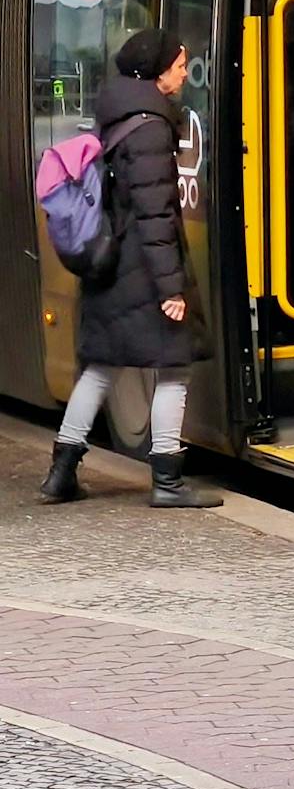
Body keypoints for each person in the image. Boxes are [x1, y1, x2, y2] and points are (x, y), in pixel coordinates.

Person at [37, 27, 220, 510]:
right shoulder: (152, 128)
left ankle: (61, 473)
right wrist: (171, 288)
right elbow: (157, 215)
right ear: (157, 72)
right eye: (179, 65)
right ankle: (167, 480)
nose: (185, 73)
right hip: (142, 270)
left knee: (100, 369)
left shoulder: (119, 115)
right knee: (173, 367)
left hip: (113, 266)